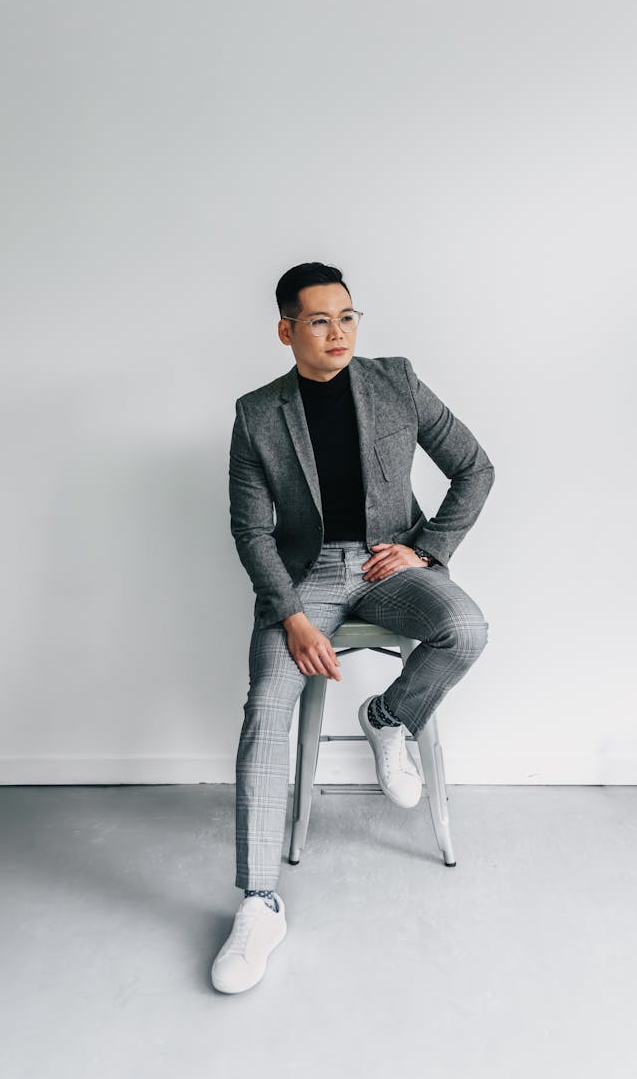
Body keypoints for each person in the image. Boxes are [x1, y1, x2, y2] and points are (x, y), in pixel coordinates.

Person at [211, 261, 495, 994]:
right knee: (267, 704)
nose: (338, 333)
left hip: (387, 567)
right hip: (304, 579)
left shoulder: (396, 381)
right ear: (286, 330)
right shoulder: (256, 413)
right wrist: (292, 615)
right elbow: (251, 532)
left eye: (348, 317)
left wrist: (427, 546)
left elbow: (474, 466)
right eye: (318, 320)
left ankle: (387, 716)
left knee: (464, 626)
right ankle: (257, 901)